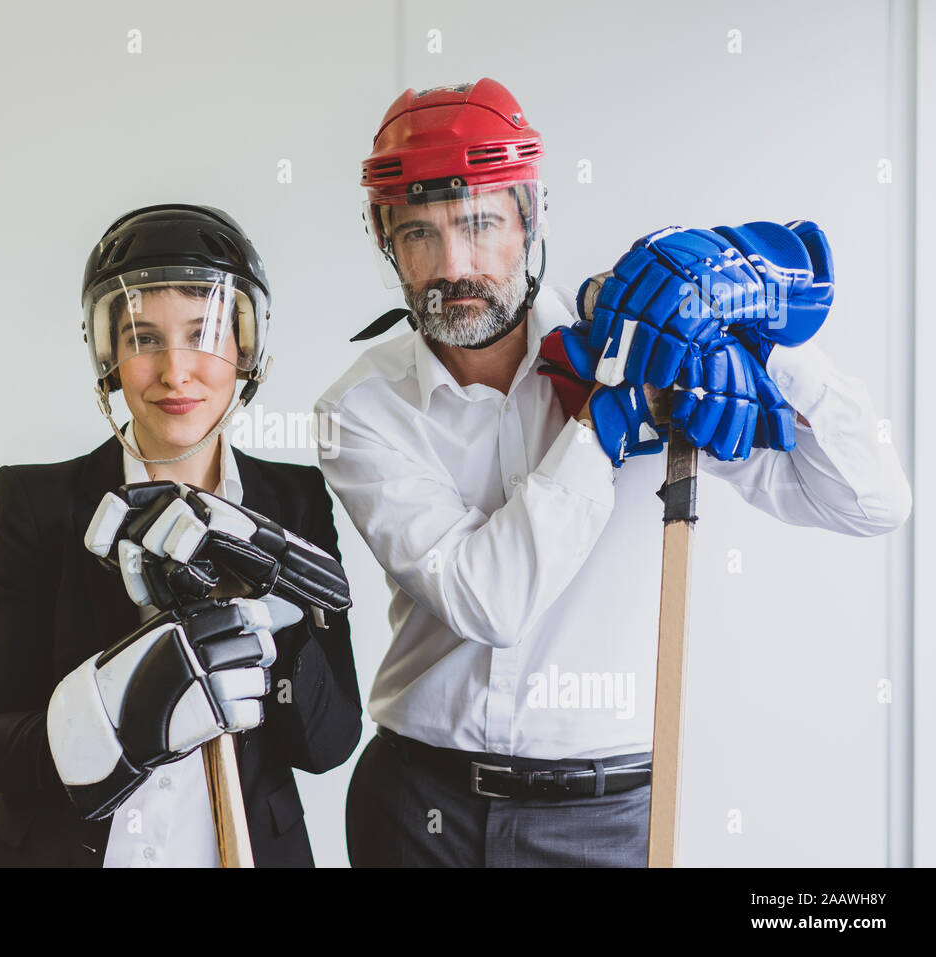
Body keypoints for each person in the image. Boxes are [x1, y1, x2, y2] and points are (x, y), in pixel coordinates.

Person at [314, 79, 913, 867]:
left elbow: (874, 502)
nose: (453, 265)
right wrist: (602, 424)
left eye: (480, 223)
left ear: (531, 219)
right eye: (420, 233)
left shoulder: (657, 352)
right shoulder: (360, 409)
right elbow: (487, 599)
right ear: (385, 239)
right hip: (421, 810)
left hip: (607, 822)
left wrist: (761, 335)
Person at [0, 204, 362, 867]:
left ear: (245, 347)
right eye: (143, 338)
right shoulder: (35, 503)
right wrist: (112, 720)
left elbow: (330, 742)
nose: (176, 371)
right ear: (110, 356)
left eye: (203, 334)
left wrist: (271, 609)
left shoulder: (293, 501)